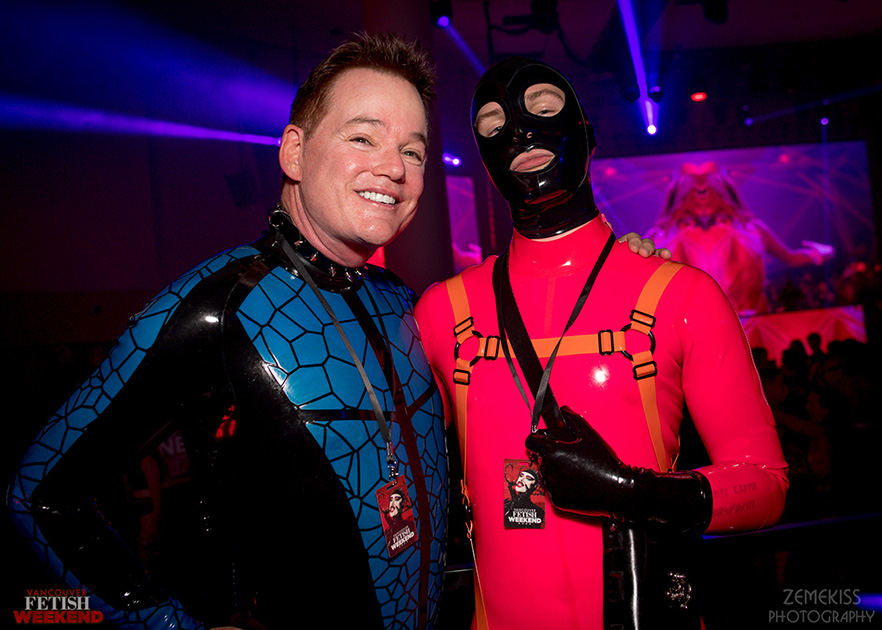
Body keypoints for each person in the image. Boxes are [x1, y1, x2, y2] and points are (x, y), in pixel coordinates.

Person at [7, 33, 448, 630]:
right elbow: (40, 494)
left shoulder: (400, 298)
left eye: (413, 151)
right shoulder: (214, 307)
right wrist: (167, 624)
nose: (393, 168)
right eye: (363, 138)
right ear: (294, 153)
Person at [414, 57, 789, 629]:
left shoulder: (681, 296)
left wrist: (632, 492)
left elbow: (765, 484)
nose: (520, 131)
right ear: (485, 160)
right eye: (493, 125)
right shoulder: (443, 312)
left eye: (543, 108)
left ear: (586, 135)